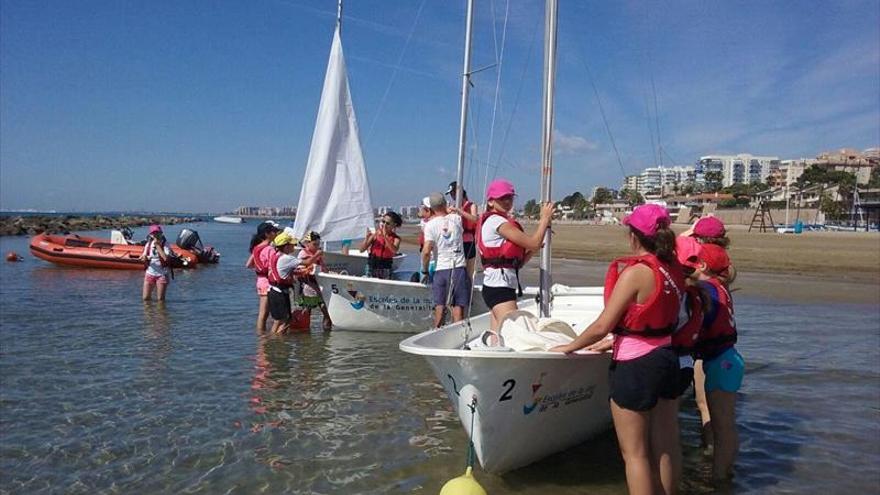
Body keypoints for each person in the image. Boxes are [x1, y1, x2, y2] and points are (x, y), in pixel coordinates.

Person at [550, 204, 685, 495]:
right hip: (667, 358)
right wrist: (613, 341)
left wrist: (570, 346)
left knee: (635, 455)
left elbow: (602, 325)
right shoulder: (673, 267)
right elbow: (660, 320)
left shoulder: (637, 273)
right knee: (666, 445)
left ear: (633, 236)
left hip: (636, 366)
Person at [693, 243, 743, 481]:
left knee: (723, 425)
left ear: (702, 265)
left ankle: (720, 478)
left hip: (723, 363)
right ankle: (723, 470)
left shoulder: (706, 288)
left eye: (695, 262)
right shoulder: (720, 286)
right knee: (725, 422)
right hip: (726, 361)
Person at [477, 178, 554, 332]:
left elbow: (518, 262)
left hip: (498, 285)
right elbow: (532, 243)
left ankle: (492, 352)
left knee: (497, 335)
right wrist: (544, 219)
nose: (507, 201)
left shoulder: (496, 221)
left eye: (510, 197)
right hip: (499, 287)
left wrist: (534, 249)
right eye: (502, 198)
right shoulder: (496, 222)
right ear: (491, 201)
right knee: (516, 332)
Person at [421, 192, 470, 327]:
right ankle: (458, 336)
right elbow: (472, 219)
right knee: (457, 307)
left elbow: (426, 251)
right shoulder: (456, 219)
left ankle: (436, 333)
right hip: (458, 267)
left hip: (441, 268)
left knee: (440, 306)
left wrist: (424, 270)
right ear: (445, 204)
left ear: (430, 208)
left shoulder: (430, 225)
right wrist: (451, 210)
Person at [267, 231, 312, 335]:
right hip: (279, 292)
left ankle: (273, 341)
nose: (294, 246)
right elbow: (308, 262)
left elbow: (283, 272)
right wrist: (318, 253)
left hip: (273, 291)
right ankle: (278, 342)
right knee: (286, 320)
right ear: (286, 247)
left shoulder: (276, 255)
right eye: (292, 244)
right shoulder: (287, 258)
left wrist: (297, 272)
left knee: (278, 320)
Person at [245, 221, 281, 332]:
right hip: (267, 282)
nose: (276, 233)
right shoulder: (269, 249)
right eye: (273, 232)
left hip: (260, 280)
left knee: (263, 313)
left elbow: (248, 265)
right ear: (267, 234)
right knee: (264, 313)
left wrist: (259, 267)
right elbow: (274, 265)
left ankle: (261, 338)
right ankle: (262, 339)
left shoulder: (256, 248)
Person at [297, 231, 333, 331]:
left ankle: (327, 334)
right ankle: (304, 334)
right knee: (307, 311)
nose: (317, 246)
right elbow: (301, 268)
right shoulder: (303, 253)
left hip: (319, 286)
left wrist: (329, 273)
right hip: (308, 287)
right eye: (314, 244)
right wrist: (316, 256)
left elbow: (324, 268)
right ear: (307, 243)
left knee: (326, 312)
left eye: (318, 244)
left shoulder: (317, 254)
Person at [446, 181, 479, 277]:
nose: (452, 196)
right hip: (456, 242)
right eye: (451, 194)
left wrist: (459, 211)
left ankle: (468, 289)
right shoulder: (452, 207)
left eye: (453, 193)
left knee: (469, 272)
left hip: (468, 242)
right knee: (457, 272)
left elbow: (475, 219)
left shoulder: (471, 205)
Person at [361, 211, 402, 279]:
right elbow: (361, 250)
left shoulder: (396, 238)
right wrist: (367, 238)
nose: (384, 225)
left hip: (385, 267)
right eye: (383, 222)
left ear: (394, 225)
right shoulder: (376, 235)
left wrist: (385, 236)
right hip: (372, 266)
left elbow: (394, 250)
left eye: (388, 223)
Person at [139, 225, 172, 302]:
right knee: (145, 298)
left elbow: (165, 258)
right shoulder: (148, 244)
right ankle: (150, 314)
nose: (156, 234)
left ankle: (161, 314)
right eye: (154, 233)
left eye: (157, 232)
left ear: (161, 233)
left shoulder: (165, 244)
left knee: (160, 300)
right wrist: (144, 258)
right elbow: (144, 256)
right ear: (151, 235)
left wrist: (157, 245)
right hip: (150, 273)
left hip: (162, 274)